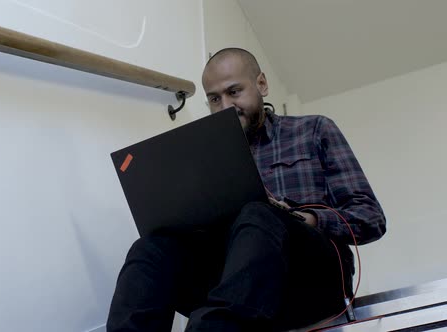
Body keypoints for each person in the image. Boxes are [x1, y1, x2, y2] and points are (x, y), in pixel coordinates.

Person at [106, 48, 386, 331]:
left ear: (261, 84)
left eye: (234, 91)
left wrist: (308, 218)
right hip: (239, 289)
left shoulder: (314, 129)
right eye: (215, 99)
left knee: (258, 212)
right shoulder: (205, 157)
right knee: (152, 248)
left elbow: (370, 217)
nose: (225, 106)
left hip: (312, 282)